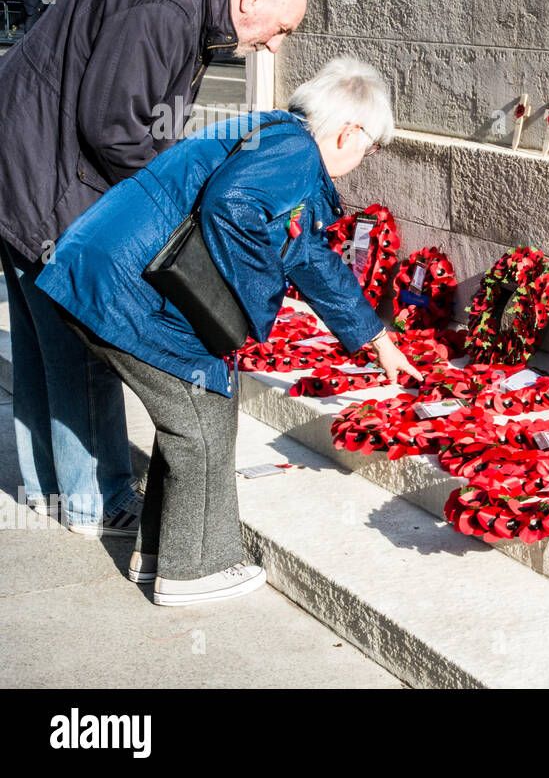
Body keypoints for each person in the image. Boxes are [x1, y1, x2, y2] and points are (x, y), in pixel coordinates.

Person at [37, 57, 422, 606]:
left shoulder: (276, 138)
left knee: (195, 413)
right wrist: (251, 304)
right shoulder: (293, 151)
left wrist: (375, 338)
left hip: (107, 273)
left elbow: (306, 252)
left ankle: (158, 555)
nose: (366, 158)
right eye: (372, 145)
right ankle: (195, 569)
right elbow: (231, 206)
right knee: (201, 416)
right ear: (348, 131)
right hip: (124, 287)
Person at [0, 0, 306, 538]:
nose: (273, 44)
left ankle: (51, 492)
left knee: (41, 349)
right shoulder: (169, 0)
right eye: (280, 28)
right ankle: (100, 500)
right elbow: (115, 127)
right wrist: (174, 204)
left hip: (25, 171)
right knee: (87, 343)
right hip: (49, 184)